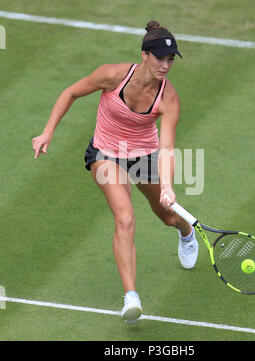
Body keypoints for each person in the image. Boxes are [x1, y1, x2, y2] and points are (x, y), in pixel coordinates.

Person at [32, 21, 199, 324]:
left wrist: (167, 187)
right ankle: (131, 297)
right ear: (144, 55)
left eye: (171, 59)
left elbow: (168, 146)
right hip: (105, 154)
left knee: (169, 216)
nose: (165, 65)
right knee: (124, 217)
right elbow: (71, 93)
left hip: (145, 155)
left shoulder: (168, 98)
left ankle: (186, 233)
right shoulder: (112, 75)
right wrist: (47, 132)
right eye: (160, 58)